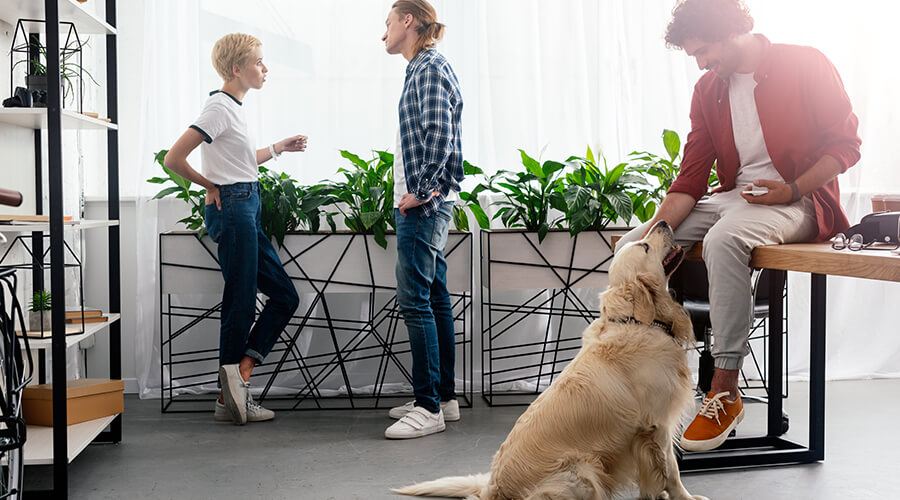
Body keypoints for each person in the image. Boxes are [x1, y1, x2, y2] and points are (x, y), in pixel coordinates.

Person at [616, 0, 860, 451]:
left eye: (704, 51)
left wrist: (789, 189)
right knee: (631, 248)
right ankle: (646, 380)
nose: (701, 63)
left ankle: (725, 389)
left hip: (801, 201)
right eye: (694, 56)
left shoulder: (805, 63)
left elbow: (846, 146)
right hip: (736, 199)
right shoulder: (708, 90)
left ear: (732, 32)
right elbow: (690, 179)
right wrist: (652, 235)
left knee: (725, 239)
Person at [163, 33, 305, 425]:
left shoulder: (234, 107)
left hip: (246, 204)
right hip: (235, 207)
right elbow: (174, 158)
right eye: (259, 61)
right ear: (236, 68)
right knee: (240, 302)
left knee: (284, 296)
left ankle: (238, 376)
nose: (265, 68)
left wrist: (278, 148)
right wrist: (210, 186)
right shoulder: (218, 107)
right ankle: (230, 399)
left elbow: (241, 161)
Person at [381, 0, 465, 439]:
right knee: (433, 298)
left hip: (425, 204)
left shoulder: (429, 66)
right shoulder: (421, 67)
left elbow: (440, 133)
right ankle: (442, 399)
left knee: (414, 300)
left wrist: (421, 192)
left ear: (408, 21)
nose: (384, 33)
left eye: (389, 23)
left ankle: (428, 406)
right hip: (427, 201)